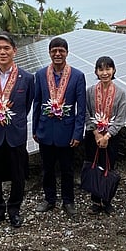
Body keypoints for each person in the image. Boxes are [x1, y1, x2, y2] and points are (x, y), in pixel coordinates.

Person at [0, 32, 34, 229]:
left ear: (14, 51)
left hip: (15, 134)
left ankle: (14, 210)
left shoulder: (26, 78)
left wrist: (13, 120)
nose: (2, 52)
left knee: (18, 175)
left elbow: (26, 105)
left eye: (6, 48)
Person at [32, 37, 86, 216]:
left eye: (61, 51)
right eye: (54, 50)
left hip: (67, 132)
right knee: (47, 168)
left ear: (67, 53)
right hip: (45, 131)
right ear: (49, 53)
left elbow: (81, 107)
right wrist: (35, 129)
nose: (57, 54)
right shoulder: (40, 75)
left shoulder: (77, 76)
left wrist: (78, 133)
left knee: (67, 169)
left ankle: (68, 201)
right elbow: (37, 102)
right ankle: (49, 199)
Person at [84, 56, 126, 215]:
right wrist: (95, 133)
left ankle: (107, 200)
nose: (104, 73)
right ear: (96, 71)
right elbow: (86, 113)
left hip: (111, 138)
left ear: (114, 70)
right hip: (92, 136)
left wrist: (107, 136)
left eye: (108, 69)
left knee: (108, 167)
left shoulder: (120, 93)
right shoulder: (89, 92)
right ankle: (95, 201)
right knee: (94, 166)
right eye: (101, 69)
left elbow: (120, 118)